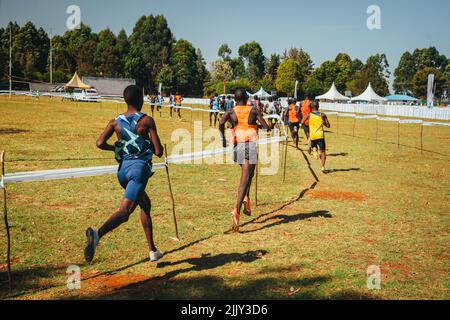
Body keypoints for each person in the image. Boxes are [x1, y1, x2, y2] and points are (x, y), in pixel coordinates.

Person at [84, 85, 165, 263]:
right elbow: (158, 152)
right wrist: (152, 146)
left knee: (145, 203)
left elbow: (99, 143)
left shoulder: (115, 121)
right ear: (140, 99)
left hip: (123, 171)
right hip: (139, 170)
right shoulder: (147, 120)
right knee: (125, 212)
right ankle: (97, 234)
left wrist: (116, 147)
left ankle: (152, 250)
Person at [219, 88, 270, 232]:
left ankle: (247, 197)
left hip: (237, 147)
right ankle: (236, 209)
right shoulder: (253, 110)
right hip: (249, 145)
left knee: (250, 174)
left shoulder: (230, 112)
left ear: (235, 99)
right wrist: (260, 126)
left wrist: (223, 139)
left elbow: (221, 123)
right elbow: (266, 127)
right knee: (245, 177)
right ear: (247, 98)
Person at [303, 101, 330, 173]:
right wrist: (323, 122)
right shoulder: (322, 115)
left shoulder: (309, 115)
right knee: (323, 152)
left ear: (311, 108)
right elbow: (328, 126)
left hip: (312, 136)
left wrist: (308, 123)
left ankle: (314, 150)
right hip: (320, 136)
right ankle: (323, 167)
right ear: (318, 107)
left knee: (314, 147)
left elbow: (302, 122)